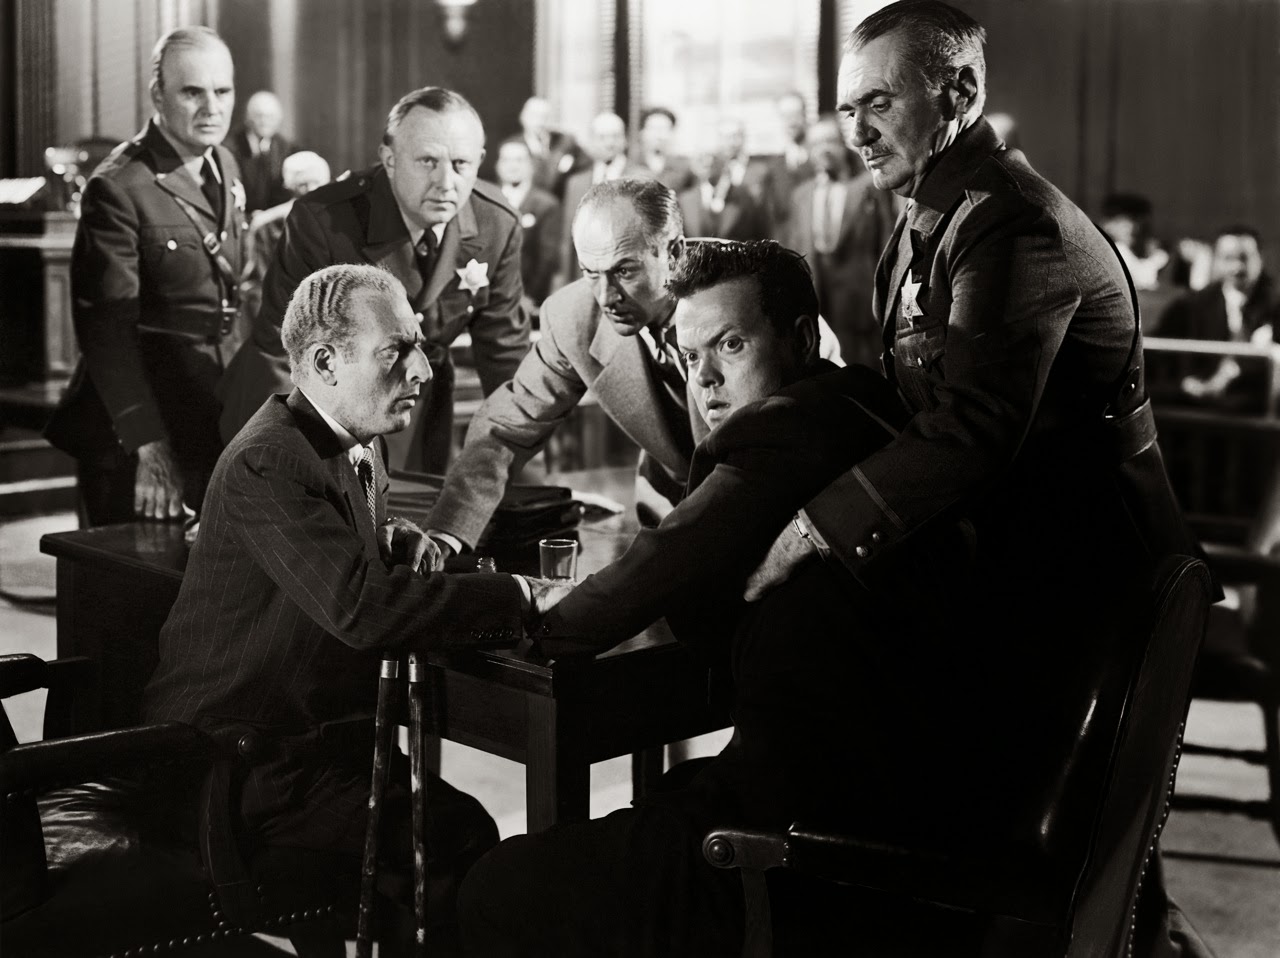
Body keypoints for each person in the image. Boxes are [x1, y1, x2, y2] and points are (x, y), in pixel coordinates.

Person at [749, 3, 1210, 954]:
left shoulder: (1014, 221)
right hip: (1024, 562)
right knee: (1065, 858)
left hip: (1097, 583)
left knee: (1084, 860)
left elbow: (971, 428)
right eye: (847, 109)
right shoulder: (936, 212)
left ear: (958, 89)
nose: (857, 130)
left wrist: (812, 528)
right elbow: (914, 393)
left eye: (879, 102)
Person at [458, 240, 914, 957]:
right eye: (689, 353)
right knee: (655, 804)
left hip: (816, 842)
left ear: (801, 339)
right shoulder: (865, 399)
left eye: (730, 345)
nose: (704, 380)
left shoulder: (787, 430)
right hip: (893, 799)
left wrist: (509, 619)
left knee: (496, 887)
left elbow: (658, 567)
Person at [142, 263, 570, 952]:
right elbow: (361, 609)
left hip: (303, 746)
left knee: (442, 834)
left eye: (419, 345)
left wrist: (389, 537)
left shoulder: (349, 441)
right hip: (235, 765)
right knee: (459, 837)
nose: (422, 370)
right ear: (324, 362)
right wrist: (522, 595)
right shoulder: (267, 459)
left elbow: (335, 547)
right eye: (396, 351)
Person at [217, 86, 529, 473]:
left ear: (480, 161)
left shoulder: (495, 224)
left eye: (461, 163)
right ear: (390, 159)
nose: (446, 182)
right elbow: (281, 353)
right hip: (324, 416)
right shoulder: (325, 222)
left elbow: (506, 360)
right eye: (427, 161)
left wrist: (521, 479)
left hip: (419, 416)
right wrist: (287, 470)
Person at [425, 178, 704, 556]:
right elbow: (505, 429)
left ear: (674, 252)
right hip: (670, 511)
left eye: (624, 271)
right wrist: (446, 534)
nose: (606, 297)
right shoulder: (574, 316)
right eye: (591, 272)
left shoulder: (750, 294)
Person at [44, 25, 250, 527]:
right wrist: (149, 446)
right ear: (158, 95)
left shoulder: (224, 162)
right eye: (192, 92)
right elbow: (107, 333)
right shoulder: (119, 186)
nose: (212, 108)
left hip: (206, 406)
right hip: (138, 427)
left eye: (222, 91)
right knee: (127, 571)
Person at [783, 113, 898, 367]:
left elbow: (887, 242)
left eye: (829, 141)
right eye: (816, 144)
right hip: (818, 304)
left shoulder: (869, 186)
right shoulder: (801, 195)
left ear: (842, 144)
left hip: (860, 306)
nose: (823, 149)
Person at [1158, 225, 1280, 408]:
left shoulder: (1275, 304)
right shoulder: (1191, 305)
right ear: (1216, 260)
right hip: (1196, 404)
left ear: (1261, 258)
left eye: (1244, 258)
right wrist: (1185, 383)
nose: (1237, 267)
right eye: (1228, 258)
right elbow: (1163, 356)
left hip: (1254, 405)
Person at [559, 112, 652, 286]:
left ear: (624, 140)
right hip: (586, 279)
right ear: (591, 141)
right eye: (602, 137)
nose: (609, 143)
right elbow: (568, 241)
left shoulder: (642, 178)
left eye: (615, 136)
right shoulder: (576, 183)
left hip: (628, 279)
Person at [242, 150, 332, 320]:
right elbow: (260, 279)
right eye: (304, 184)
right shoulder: (267, 223)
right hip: (283, 312)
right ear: (290, 184)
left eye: (316, 182)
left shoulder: (337, 220)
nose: (311, 189)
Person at [494, 135, 561, 311]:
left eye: (519, 160)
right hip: (491, 299)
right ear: (498, 165)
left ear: (531, 165)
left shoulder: (546, 205)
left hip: (530, 302)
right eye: (506, 160)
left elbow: (547, 258)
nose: (513, 166)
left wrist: (530, 297)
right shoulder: (489, 202)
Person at [227, 90, 296, 214]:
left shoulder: (285, 148)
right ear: (248, 118)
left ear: (279, 120)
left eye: (271, 117)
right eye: (259, 116)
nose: (265, 122)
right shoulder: (230, 148)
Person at [518, 95, 584, 200]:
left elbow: (587, 165)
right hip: (530, 204)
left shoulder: (565, 141)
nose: (539, 122)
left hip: (560, 202)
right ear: (523, 118)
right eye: (534, 116)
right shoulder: (514, 146)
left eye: (544, 117)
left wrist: (570, 163)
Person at [635, 106, 694, 193]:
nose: (659, 136)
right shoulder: (630, 164)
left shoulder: (684, 168)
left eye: (664, 129)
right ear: (642, 132)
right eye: (653, 129)